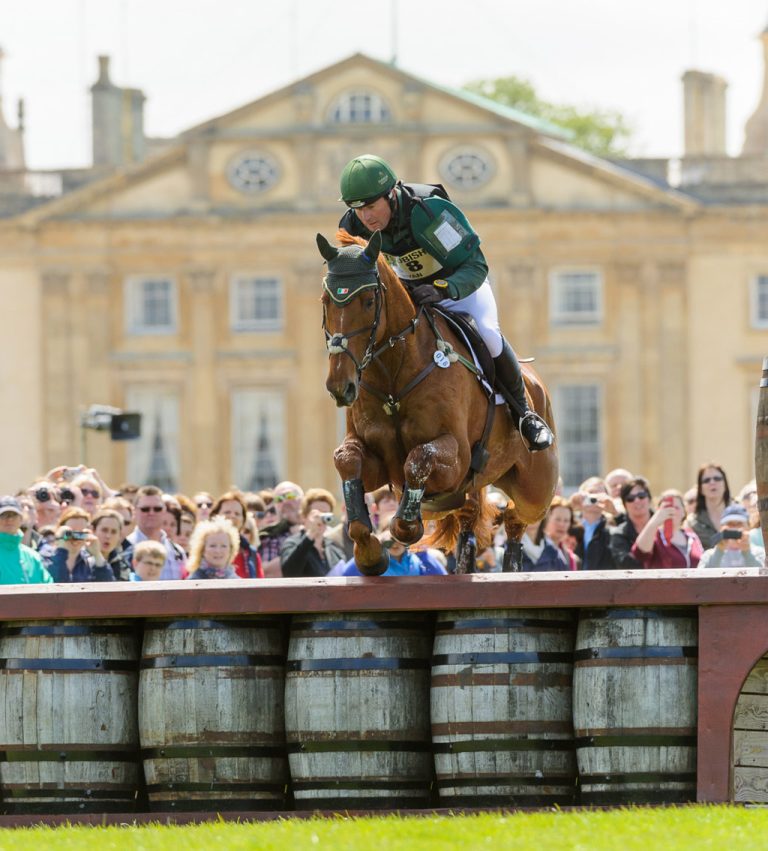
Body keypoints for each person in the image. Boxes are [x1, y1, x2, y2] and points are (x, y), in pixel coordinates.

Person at [337, 153, 553, 452]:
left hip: (458, 285)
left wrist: (443, 289)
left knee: (489, 334)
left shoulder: (428, 213)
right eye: (357, 210)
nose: (366, 218)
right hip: (409, 294)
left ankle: (525, 415)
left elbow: (475, 266)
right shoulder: (353, 225)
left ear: (392, 193)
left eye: (372, 207)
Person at [280, 488, 346, 578]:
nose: (321, 519)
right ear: (303, 517)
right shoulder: (292, 543)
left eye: (326, 514)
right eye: (317, 514)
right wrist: (310, 534)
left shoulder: (334, 548)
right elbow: (289, 573)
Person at [630, 490, 704, 569]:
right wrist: (655, 521)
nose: (672, 511)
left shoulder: (691, 535)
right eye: (667, 508)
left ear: (683, 512)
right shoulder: (654, 535)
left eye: (676, 507)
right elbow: (639, 553)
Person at [339, 523, 447, 577]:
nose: (395, 544)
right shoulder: (371, 561)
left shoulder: (417, 559)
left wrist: (422, 552)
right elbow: (346, 577)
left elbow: (442, 579)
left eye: (400, 539)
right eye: (390, 540)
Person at [125, 485, 185, 579]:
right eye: (145, 509)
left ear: (164, 510)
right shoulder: (125, 549)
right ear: (135, 511)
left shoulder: (178, 553)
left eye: (157, 509)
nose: (151, 513)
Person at [43, 507, 115, 583]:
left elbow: (107, 585)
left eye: (81, 534)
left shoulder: (89, 562)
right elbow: (57, 582)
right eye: (70, 533)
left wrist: (97, 554)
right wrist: (61, 548)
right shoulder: (46, 557)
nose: (76, 538)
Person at [210, 490, 263, 578]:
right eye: (227, 512)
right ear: (215, 515)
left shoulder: (251, 554)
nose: (232, 516)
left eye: (237, 513)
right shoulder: (204, 550)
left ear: (243, 520)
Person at [0, 496, 52, 584]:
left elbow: (49, 588)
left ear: (21, 519)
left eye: (14, 515)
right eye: (3, 515)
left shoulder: (33, 556)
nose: (9, 519)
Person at [258, 481, 304, 577]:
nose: (285, 501)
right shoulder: (270, 536)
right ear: (275, 506)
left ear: (302, 500)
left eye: (290, 496)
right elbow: (268, 573)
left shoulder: (321, 529)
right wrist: (305, 540)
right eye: (279, 499)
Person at [570, 476, 617, 571]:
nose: (594, 498)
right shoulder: (569, 525)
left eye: (600, 495)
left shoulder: (613, 528)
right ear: (580, 496)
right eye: (591, 493)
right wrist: (569, 507)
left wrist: (615, 513)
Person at [699, 504, 766, 569]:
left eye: (739, 524)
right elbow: (701, 577)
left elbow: (763, 577)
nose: (735, 528)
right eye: (730, 524)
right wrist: (719, 551)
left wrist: (747, 553)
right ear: (721, 527)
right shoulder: (708, 555)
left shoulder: (760, 553)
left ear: (748, 527)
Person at [521, 497, 579, 571]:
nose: (562, 524)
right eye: (557, 519)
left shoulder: (563, 556)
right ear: (547, 518)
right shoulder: (509, 550)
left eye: (566, 520)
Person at [609, 478, 655, 569]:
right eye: (630, 498)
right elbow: (625, 565)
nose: (637, 500)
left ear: (649, 499)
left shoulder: (664, 526)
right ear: (624, 504)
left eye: (641, 496)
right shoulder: (619, 534)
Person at [688, 463, 732, 551]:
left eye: (717, 478)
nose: (712, 482)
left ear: (725, 485)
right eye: (706, 480)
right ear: (700, 489)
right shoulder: (692, 522)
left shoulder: (740, 514)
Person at [91, 509, 132, 581]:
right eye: (104, 530)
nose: (108, 536)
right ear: (93, 531)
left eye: (114, 532)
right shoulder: (81, 559)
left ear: (119, 535)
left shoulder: (122, 564)